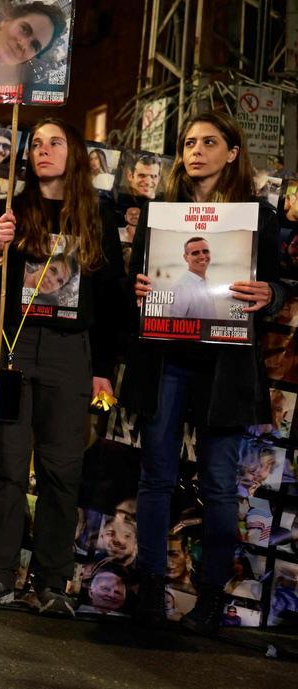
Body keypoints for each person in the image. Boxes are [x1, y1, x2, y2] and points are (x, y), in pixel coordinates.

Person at [129, 110, 286, 635]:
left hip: (226, 364)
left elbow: (283, 283)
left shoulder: (258, 217)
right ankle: (150, 584)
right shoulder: (162, 214)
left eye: (210, 142)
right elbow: (141, 279)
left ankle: (213, 594)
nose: (196, 150)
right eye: (189, 142)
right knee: (155, 477)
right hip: (166, 359)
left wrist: (272, 294)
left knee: (219, 487)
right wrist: (141, 291)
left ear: (233, 152)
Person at [0, 118, 124, 618]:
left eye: (55, 142)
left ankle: (52, 581)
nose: (44, 150)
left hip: (70, 353)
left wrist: (101, 369)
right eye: (36, 143)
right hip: (12, 348)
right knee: (6, 462)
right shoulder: (11, 209)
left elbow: (114, 299)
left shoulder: (99, 214)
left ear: (75, 154)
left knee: (61, 469)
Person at [0, 2, 67, 90]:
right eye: (24, 29)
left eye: (34, 46)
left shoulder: (14, 90)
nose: (23, 44)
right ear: (7, 21)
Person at [166, 237, 219, 319]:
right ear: (186, 257)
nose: (202, 256)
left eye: (205, 251)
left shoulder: (207, 281)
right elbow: (175, 323)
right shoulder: (181, 287)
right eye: (195, 253)